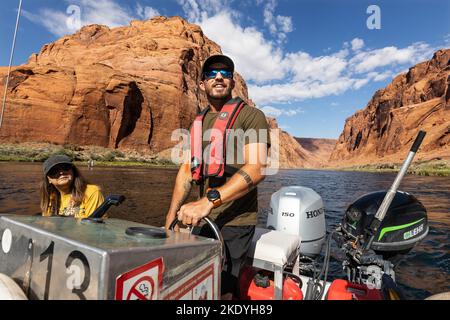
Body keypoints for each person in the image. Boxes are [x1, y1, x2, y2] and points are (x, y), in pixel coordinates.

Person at [165, 54, 270, 299]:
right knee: (194, 284)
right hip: (202, 220)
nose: (219, 76)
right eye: (211, 74)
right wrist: (171, 217)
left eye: (225, 73)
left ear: (233, 82)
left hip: (236, 221)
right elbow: (186, 171)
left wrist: (206, 202)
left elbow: (258, 168)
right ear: (202, 84)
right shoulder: (197, 123)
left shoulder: (251, 116)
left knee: (223, 289)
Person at [40, 154, 104, 218]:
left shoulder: (91, 192)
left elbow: (93, 225)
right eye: (54, 171)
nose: (61, 172)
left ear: (73, 171)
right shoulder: (51, 198)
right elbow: (47, 224)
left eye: (65, 167)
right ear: (49, 179)